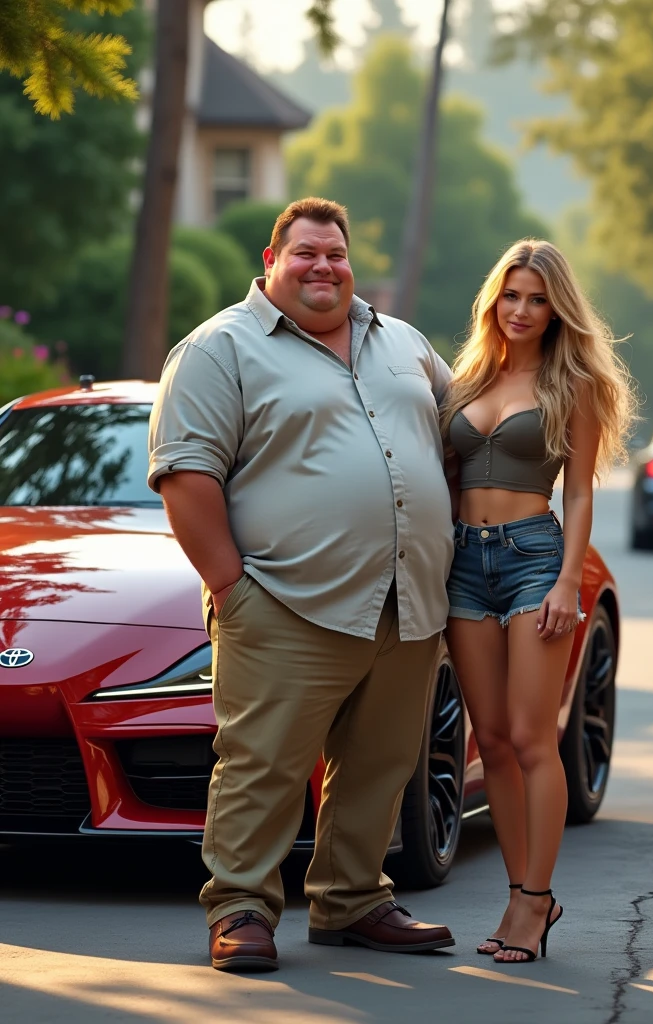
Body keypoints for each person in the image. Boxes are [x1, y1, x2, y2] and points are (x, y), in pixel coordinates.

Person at [148, 197, 456, 972]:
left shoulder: (405, 344)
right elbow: (186, 475)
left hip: (405, 602)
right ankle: (242, 907)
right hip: (284, 602)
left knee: (383, 763)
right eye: (306, 253)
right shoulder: (220, 349)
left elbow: (463, 431)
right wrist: (232, 586)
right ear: (271, 260)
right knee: (263, 763)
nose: (324, 266)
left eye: (336, 254)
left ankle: (352, 900)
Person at [440, 239, 634, 964]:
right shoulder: (469, 375)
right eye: (511, 295)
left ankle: (531, 904)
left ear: (558, 309)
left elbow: (579, 490)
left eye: (537, 298)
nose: (521, 309)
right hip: (463, 562)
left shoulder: (572, 382)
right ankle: (525, 893)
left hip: (532, 559)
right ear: (494, 299)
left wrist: (565, 581)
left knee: (530, 738)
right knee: (488, 742)